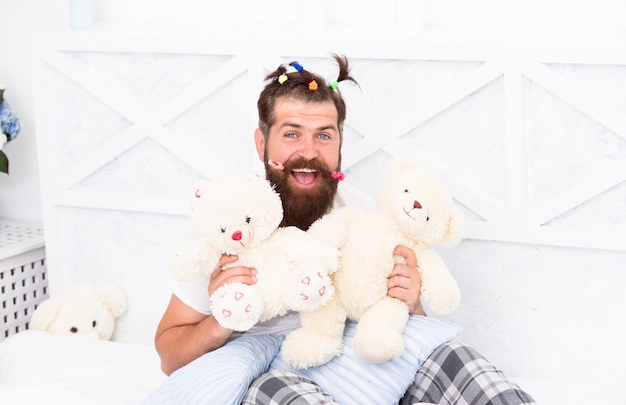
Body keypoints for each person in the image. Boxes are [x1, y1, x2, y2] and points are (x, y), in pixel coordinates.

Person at [153, 54, 536, 405]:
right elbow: (169, 356)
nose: (308, 151)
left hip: (353, 358)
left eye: (323, 135)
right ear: (261, 142)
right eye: (291, 134)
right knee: (276, 390)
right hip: (271, 371)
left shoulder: (365, 215)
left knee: (456, 358)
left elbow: (403, 326)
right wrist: (221, 320)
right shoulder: (227, 222)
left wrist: (411, 302)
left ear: (339, 144)